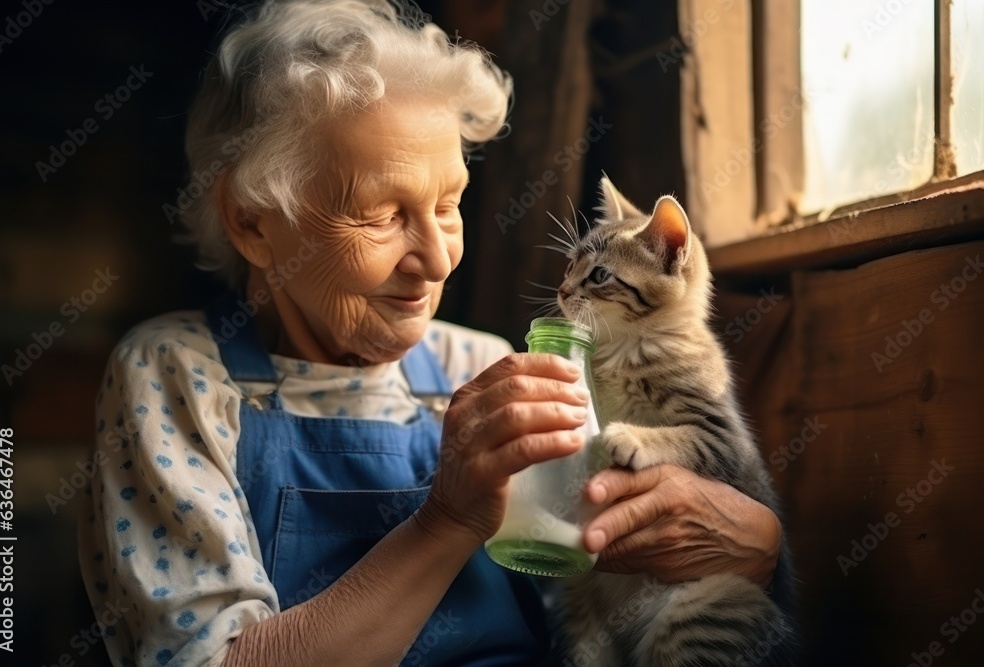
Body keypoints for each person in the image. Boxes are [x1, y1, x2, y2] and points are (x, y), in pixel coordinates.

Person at [78, 1, 787, 665]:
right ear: (253, 222)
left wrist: (757, 549)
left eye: (449, 205)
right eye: (383, 215)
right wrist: (445, 520)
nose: (439, 257)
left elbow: (593, 608)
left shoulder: (480, 364)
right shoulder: (177, 376)